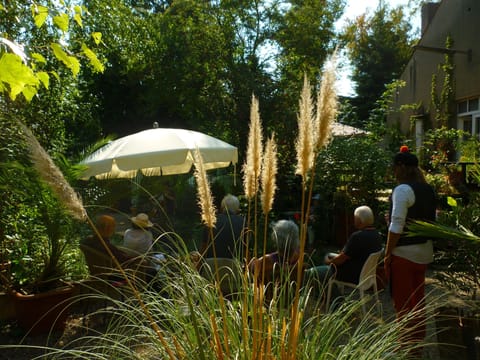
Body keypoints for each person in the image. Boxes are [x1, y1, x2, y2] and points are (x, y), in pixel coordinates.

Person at [384, 145, 437, 348]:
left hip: (404, 254)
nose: (393, 171)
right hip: (424, 252)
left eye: (394, 167)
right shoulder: (428, 189)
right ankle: (418, 340)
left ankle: (405, 344)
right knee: (418, 299)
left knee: (403, 302)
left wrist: (388, 254)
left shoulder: (402, 189)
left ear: (401, 167)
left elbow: (396, 226)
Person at [305, 206, 382, 296]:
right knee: (327, 265)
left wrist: (328, 261)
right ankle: (333, 296)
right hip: (366, 275)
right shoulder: (377, 235)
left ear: (360, 220)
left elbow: (340, 260)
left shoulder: (357, 237)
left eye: (355, 218)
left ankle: (333, 301)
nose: (354, 220)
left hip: (351, 275)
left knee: (311, 273)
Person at [248, 220, 302, 303]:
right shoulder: (300, 259)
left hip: (268, 305)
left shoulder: (265, 261)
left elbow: (249, 272)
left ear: (276, 238)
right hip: (291, 304)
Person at [201, 194, 247, 259]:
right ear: (237, 209)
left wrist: (198, 266)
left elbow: (204, 247)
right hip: (234, 266)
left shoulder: (211, 221)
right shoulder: (242, 222)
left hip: (211, 265)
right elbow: (245, 249)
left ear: (222, 208)